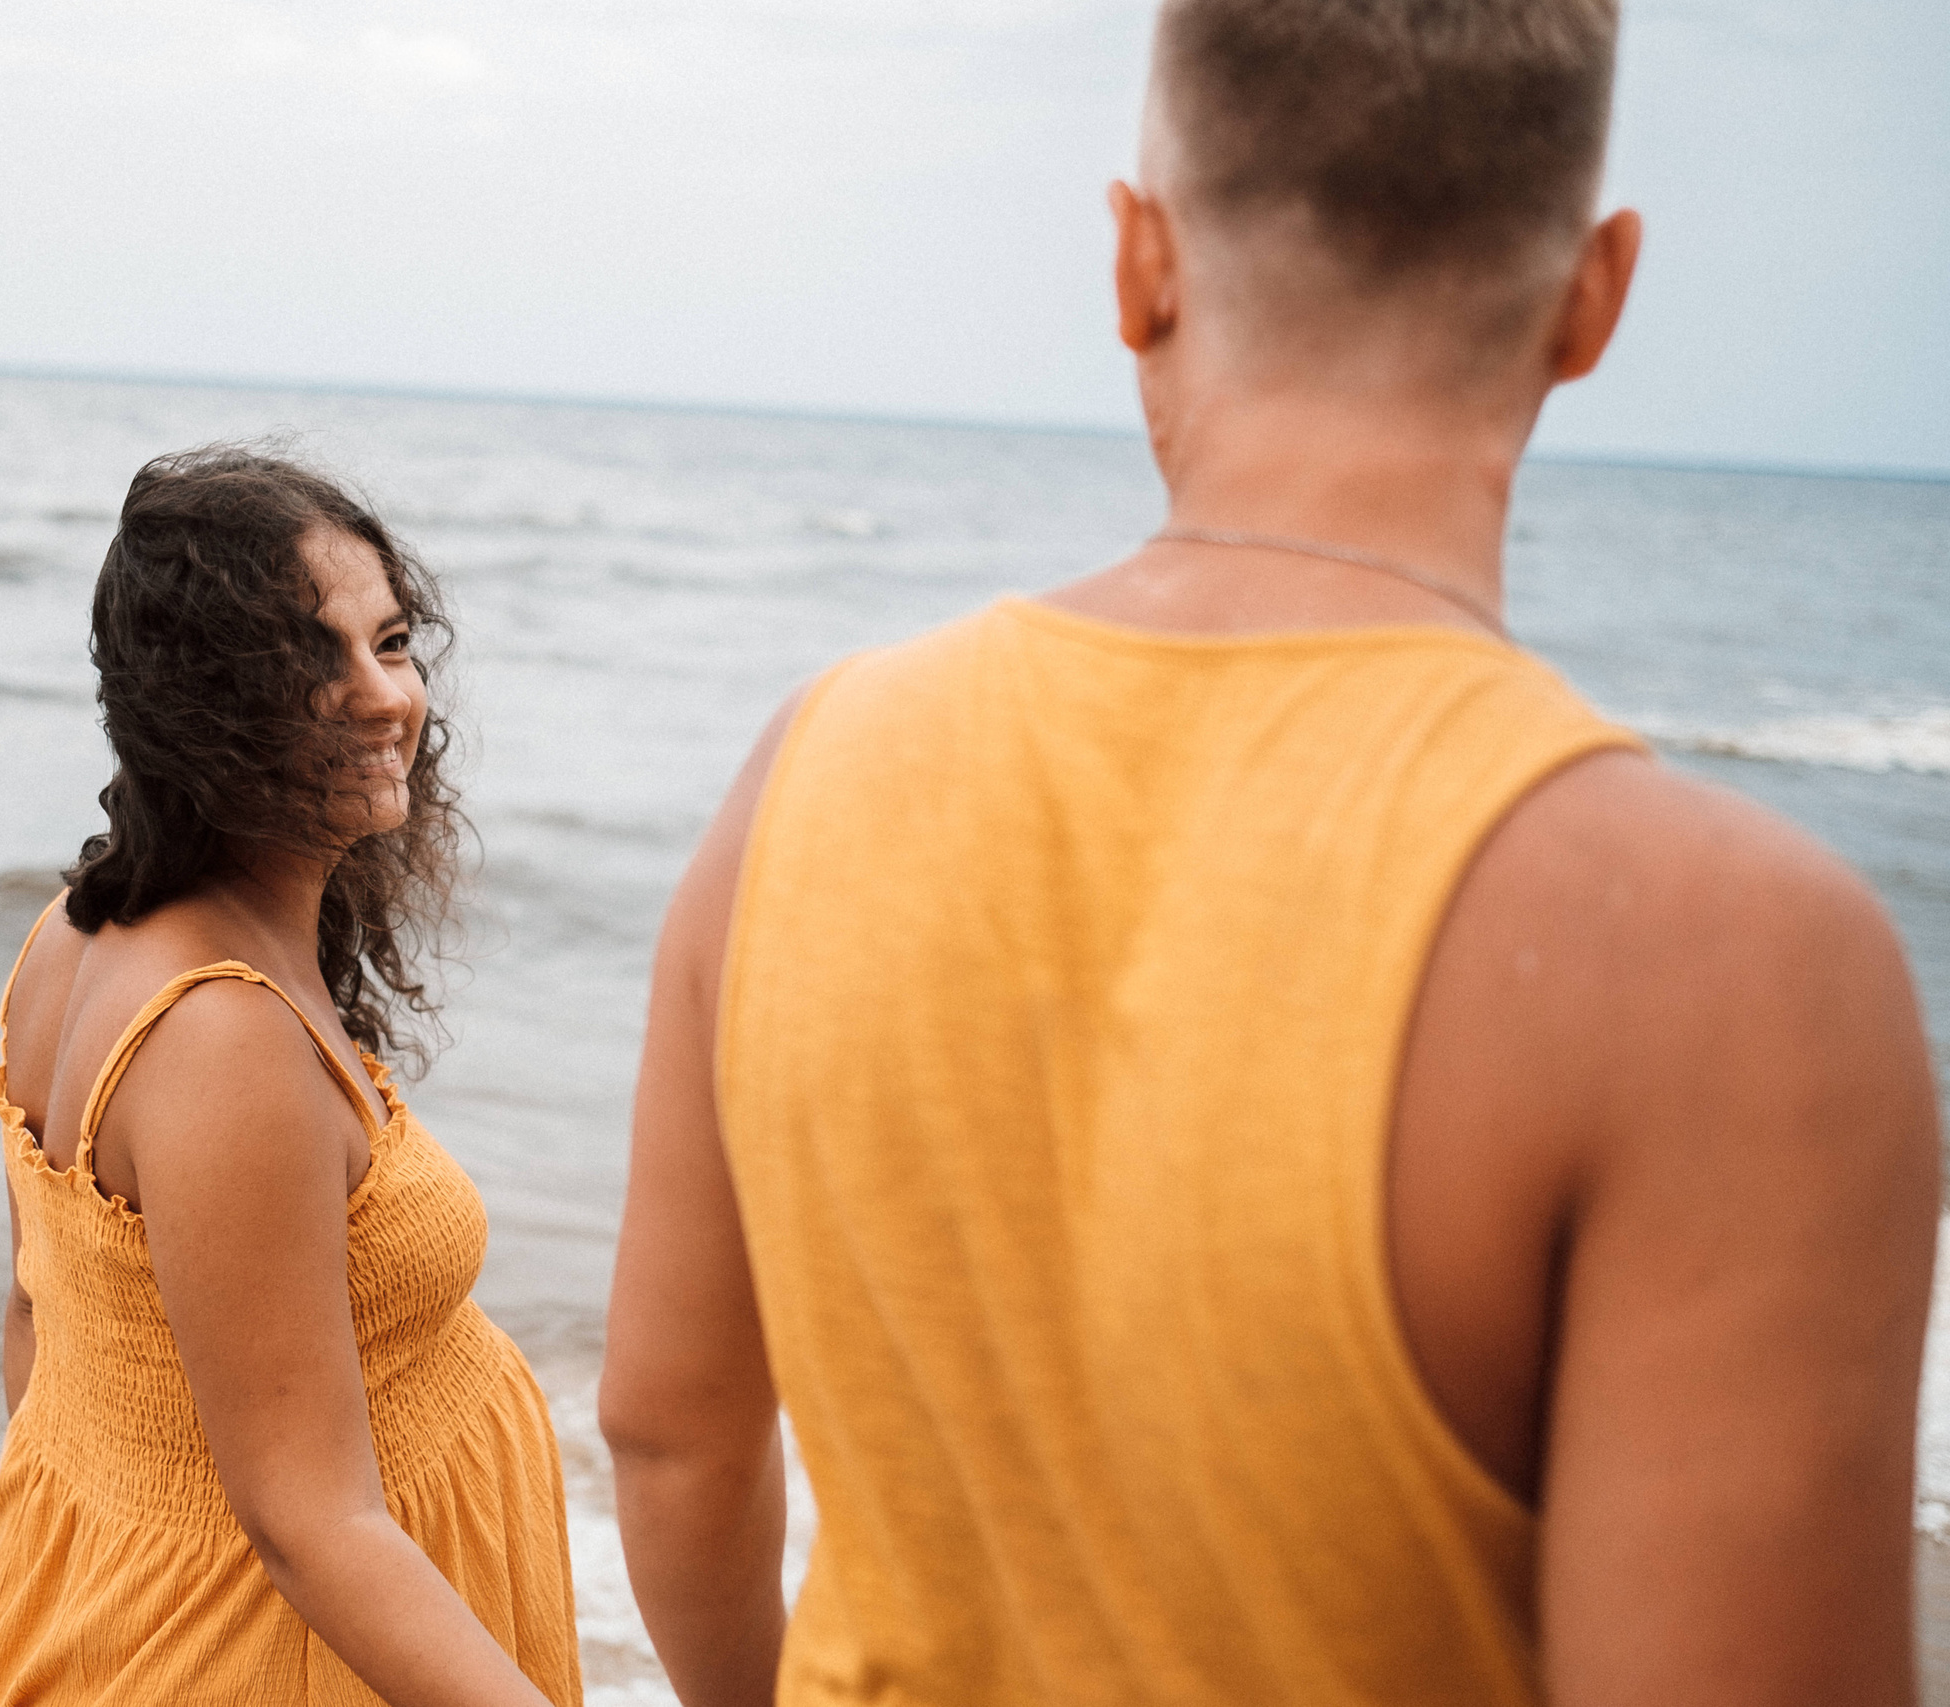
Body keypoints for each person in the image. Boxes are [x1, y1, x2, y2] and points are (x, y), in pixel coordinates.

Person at [599, 2, 1939, 1703]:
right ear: (1595, 298)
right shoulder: (1728, 958)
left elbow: (670, 1432)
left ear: (1137, 266)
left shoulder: (804, 775)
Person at [0, 448, 580, 1707]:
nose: (385, 696)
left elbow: (39, 1326)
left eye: (390, 642)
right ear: (200, 706)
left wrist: (103, 1571)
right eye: (309, 664)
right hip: (285, 1658)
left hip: (166, 1614)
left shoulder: (74, 932)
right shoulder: (224, 1037)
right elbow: (312, 1527)